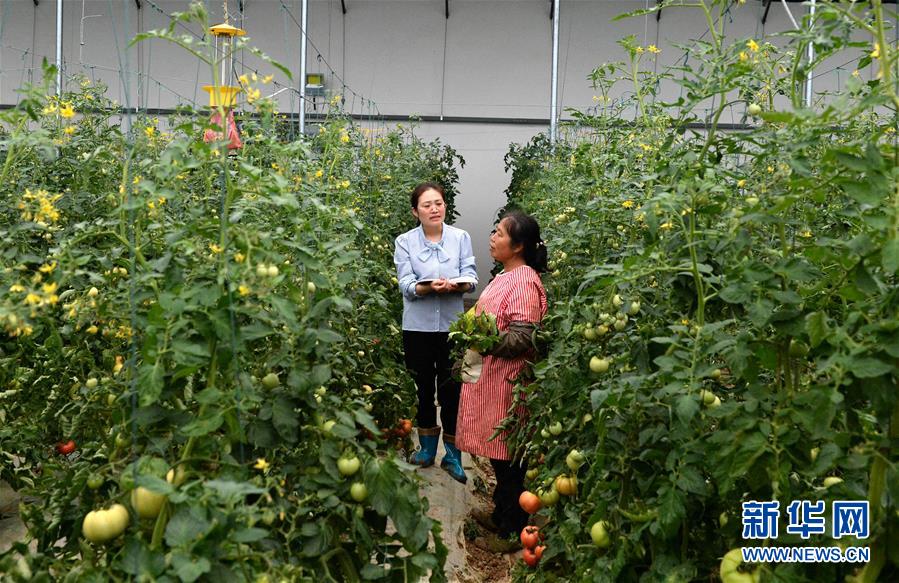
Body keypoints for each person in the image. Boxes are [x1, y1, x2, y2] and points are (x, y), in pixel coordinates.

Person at [456, 210, 548, 551]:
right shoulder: (505, 275)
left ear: (519, 245)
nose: (492, 237)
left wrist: (483, 340)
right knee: (500, 454)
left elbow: (524, 338)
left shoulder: (524, 280)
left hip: (509, 383)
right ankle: (500, 513)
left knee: (510, 458)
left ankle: (513, 528)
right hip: (493, 380)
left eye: (499, 233)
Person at [394, 182, 477, 484]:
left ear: (445, 206)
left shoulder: (460, 238)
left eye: (438, 203)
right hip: (416, 327)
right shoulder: (405, 241)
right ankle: (427, 449)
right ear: (415, 211)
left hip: (452, 328)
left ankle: (453, 456)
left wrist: (459, 285)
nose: (434, 209)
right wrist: (427, 287)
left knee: (453, 389)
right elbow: (405, 282)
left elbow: (471, 274)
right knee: (423, 388)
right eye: (427, 205)